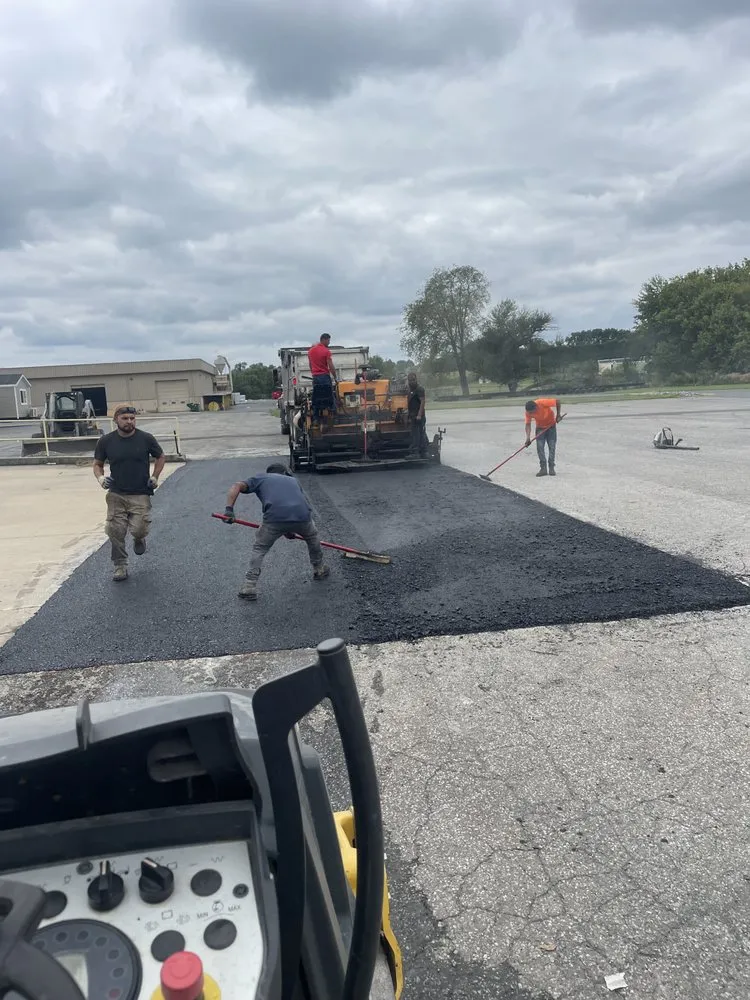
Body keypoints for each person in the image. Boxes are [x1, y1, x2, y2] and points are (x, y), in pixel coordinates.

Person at [223, 463, 330, 600]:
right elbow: (293, 503)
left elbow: (236, 486)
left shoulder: (261, 478)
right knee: (312, 537)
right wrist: (290, 529)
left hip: (274, 518)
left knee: (260, 548)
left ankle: (249, 586)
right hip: (302, 516)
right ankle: (319, 568)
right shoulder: (293, 480)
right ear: (284, 472)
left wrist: (229, 510)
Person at [93, 405, 165, 581]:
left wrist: (155, 477)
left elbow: (160, 457)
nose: (129, 422)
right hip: (116, 493)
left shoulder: (146, 439)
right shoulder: (106, 441)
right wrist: (101, 479)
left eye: (132, 418)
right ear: (116, 420)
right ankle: (120, 565)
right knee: (114, 530)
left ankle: (139, 538)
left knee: (139, 528)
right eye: (125, 418)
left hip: (140, 492)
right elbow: (97, 464)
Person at [524, 397, 562, 476]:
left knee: (552, 447)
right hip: (540, 428)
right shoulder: (528, 412)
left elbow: (557, 401)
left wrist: (558, 415)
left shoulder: (542, 402)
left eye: (532, 412)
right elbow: (528, 424)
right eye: (530, 413)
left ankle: (551, 467)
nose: (531, 414)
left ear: (536, 407)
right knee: (540, 447)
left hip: (551, 426)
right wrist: (528, 438)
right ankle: (543, 469)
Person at [308, 333, 337, 421]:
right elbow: (331, 366)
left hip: (316, 378)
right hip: (324, 377)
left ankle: (316, 416)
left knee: (317, 397)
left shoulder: (311, 351)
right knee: (331, 396)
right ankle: (333, 413)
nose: (329, 342)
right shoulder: (326, 351)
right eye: (328, 340)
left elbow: (310, 365)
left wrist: (313, 373)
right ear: (324, 340)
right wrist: (335, 377)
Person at [406, 371, 427, 457]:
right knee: (416, 433)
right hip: (413, 415)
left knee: (418, 434)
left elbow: (422, 402)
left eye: (413, 380)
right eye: (410, 380)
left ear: (416, 379)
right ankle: (422, 451)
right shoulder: (410, 390)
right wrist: (408, 415)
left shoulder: (420, 389)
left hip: (419, 416)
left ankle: (417, 452)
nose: (412, 382)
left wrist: (419, 415)